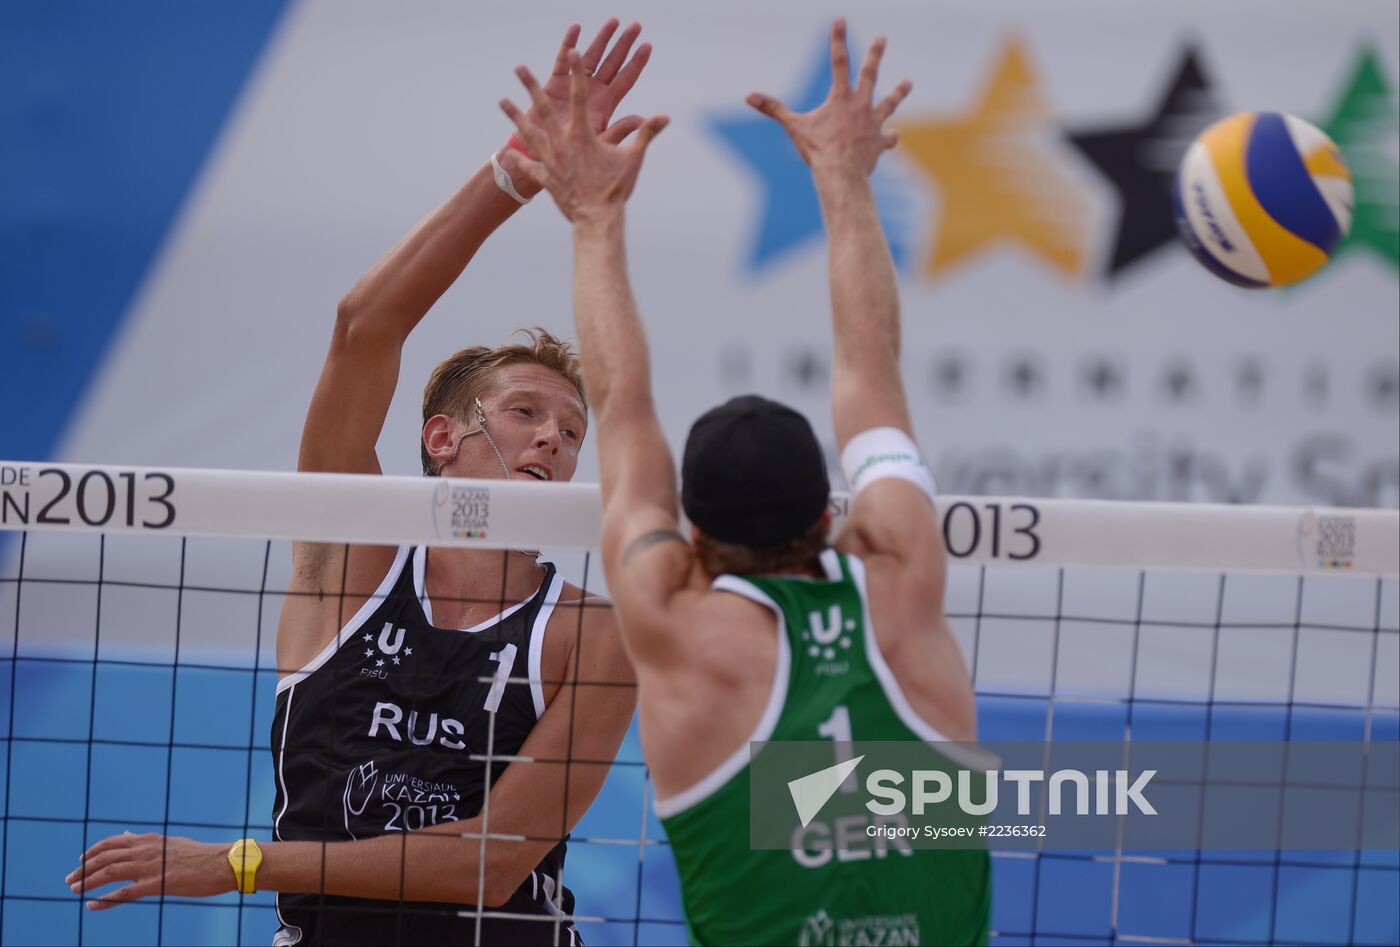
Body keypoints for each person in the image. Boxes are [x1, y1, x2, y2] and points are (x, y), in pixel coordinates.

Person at [65, 20, 650, 947]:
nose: (554, 440)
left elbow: (492, 862)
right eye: (528, 413)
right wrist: (512, 175)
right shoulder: (350, 559)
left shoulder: (592, 629)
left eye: (573, 431)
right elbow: (360, 329)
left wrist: (243, 862)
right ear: (443, 437)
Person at [501, 18, 991, 946]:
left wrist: (595, 218)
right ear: (829, 513)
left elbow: (623, 406)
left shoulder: (672, 621)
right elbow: (871, 375)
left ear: (693, 537)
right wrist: (845, 183)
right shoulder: (905, 575)